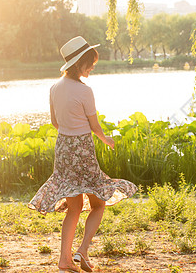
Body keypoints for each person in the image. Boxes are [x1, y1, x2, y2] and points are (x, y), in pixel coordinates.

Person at [28, 36, 138, 273]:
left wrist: (70, 134)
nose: (92, 67)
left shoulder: (54, 88)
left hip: (63, 149)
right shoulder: (84, 91)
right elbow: (95, 126)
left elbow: (55, 122)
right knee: (98, 203)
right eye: (90, 63)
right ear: (79, 64)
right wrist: (105, 139)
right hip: (83, 150)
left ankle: (64, 260)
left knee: (75, 206)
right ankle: (82, 250)